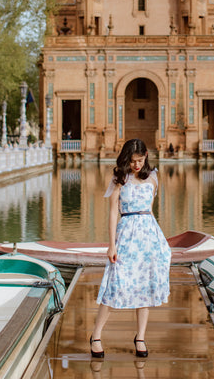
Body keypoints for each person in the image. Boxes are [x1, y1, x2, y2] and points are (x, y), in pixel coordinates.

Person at [90, 138, 171, 359]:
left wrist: (159, 238)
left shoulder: (153, 178)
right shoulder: (120, 179)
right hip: (126, 234)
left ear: (146, 156)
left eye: (140, 160)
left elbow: (150, 211)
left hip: (148, 235)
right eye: (133, 161)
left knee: (145, 286)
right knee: (115, 284)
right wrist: (111, 245)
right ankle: (96, 335)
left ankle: (141, 337)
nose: (136, 165)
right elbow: (113, 213)